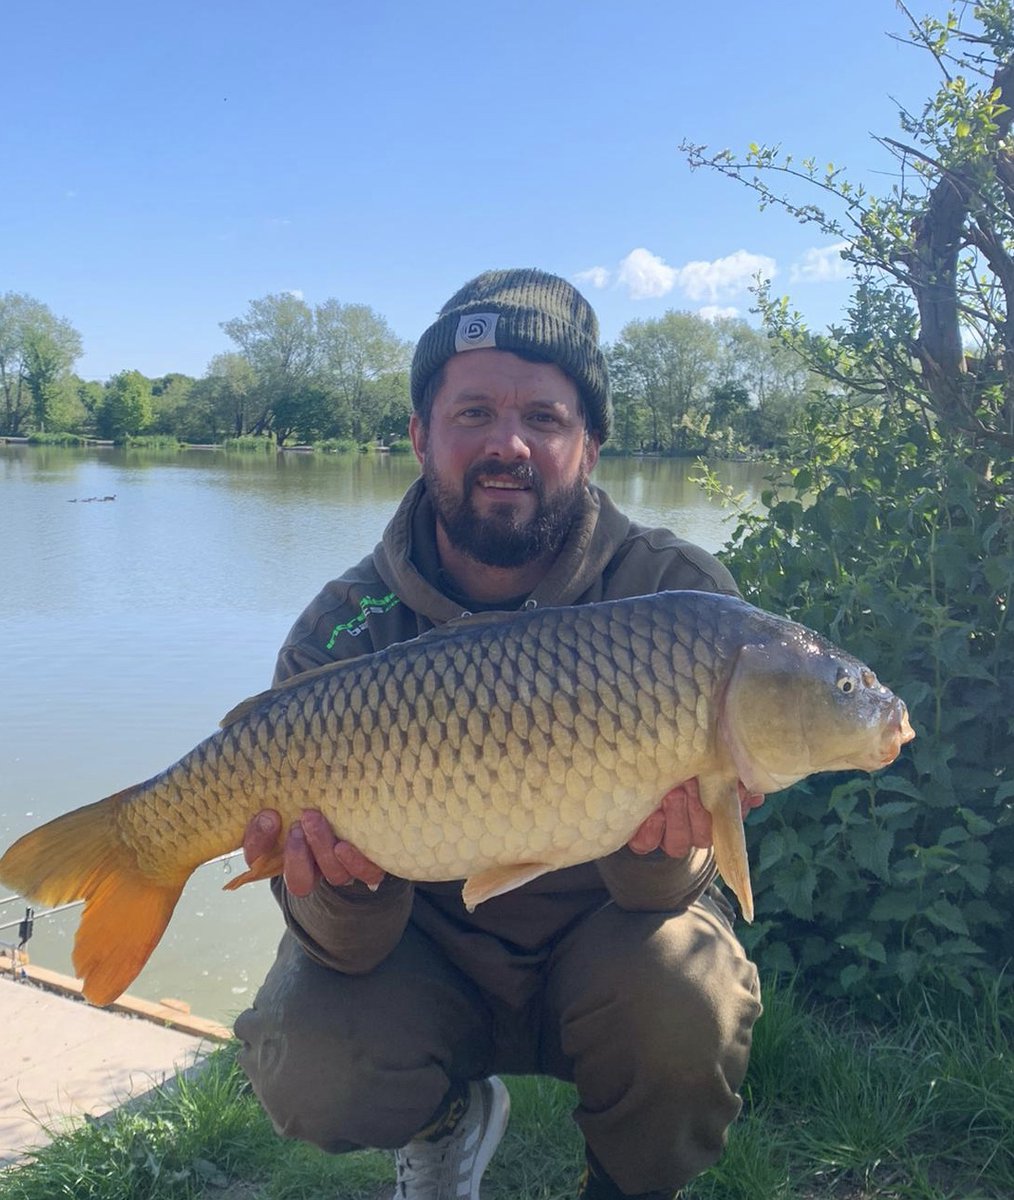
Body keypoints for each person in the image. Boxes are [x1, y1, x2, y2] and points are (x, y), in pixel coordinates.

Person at [234, 268, 764, 1200]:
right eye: (472, 412)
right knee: (310, 1062)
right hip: (425, 955)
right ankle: (442, 1121)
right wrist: (344, 891)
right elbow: (342, 950)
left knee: (686, 998)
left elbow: (669, 896)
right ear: (419, 436)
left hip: (607, 948)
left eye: (545, 418)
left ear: (590, 443)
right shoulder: (340, 634)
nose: (507, 444)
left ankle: (625, 1182)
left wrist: (662, 854)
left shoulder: (676, 600)